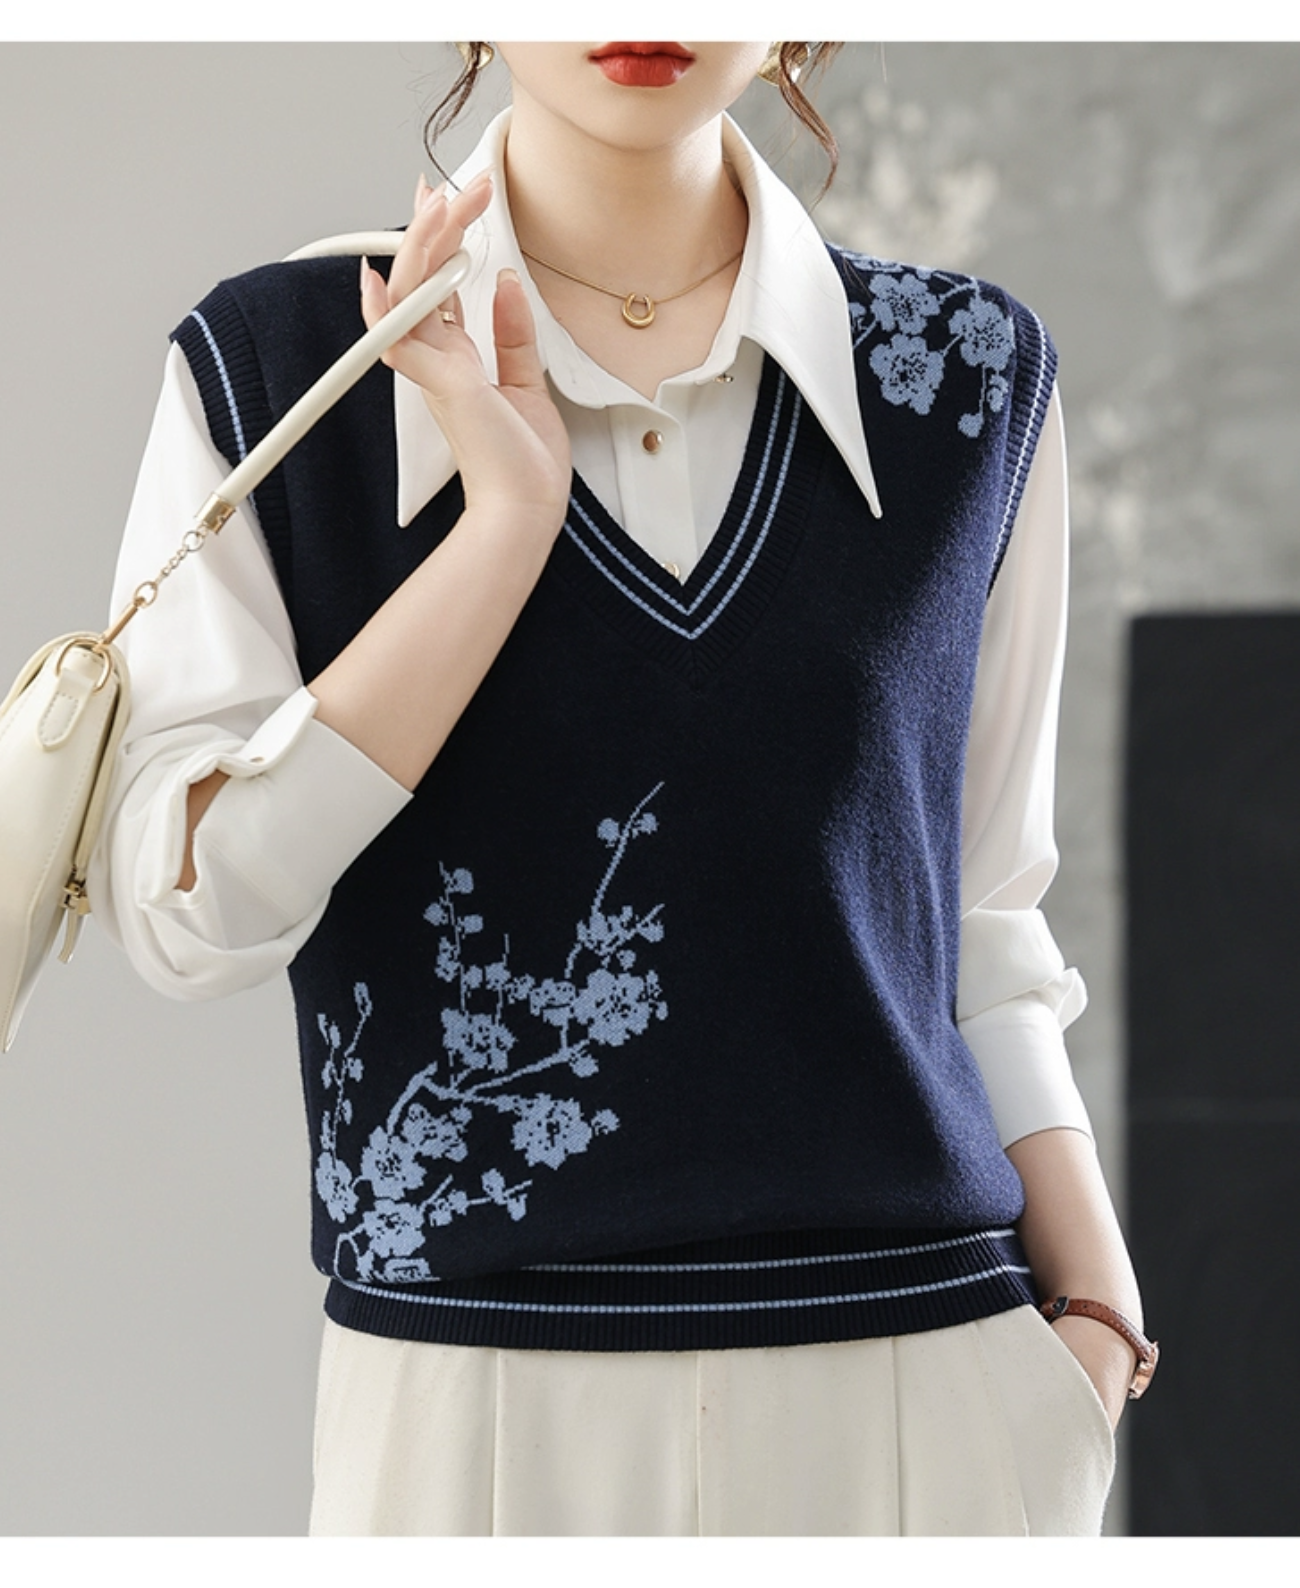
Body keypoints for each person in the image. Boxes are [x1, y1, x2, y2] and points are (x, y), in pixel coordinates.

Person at [93, 41, 1149, 1535]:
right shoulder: (282, 373)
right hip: (471, 1409)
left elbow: (978, 913)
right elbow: (191, 916)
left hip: (927, 1391)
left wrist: (1097, 1313)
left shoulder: (966, 378)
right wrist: (502, 528)